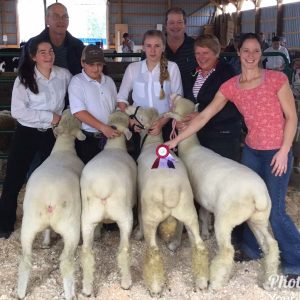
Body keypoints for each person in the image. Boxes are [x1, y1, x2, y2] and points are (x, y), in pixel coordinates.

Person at [165, 33, 299, 279]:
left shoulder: (277, 79)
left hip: (276, 152)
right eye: (246, 51)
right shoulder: (231, 86)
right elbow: (204, 116)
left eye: (255, 51)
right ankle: (250, 249)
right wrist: (174, 140)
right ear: (239, 52)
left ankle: (295, 262)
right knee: (246, 201)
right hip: (251, 150)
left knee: (275, 210)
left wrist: (284, 150)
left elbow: (291, 117)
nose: (250, 55)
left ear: (262, 53)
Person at [0, 38, 72, 239]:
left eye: (50, 51)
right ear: (33, 57)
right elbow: (17, 111)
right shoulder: (23, 79)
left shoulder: (63, 75)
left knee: (58, 175)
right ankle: (4, 224)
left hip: (53, 134)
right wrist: (50, 116)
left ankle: (57, 220)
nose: (48, 55)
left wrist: (64, 116)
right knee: (14, 177)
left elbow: (73, 97)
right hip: (27, 133)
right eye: (42, 52)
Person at [117, 29, 183, 158]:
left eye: (157, 46)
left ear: (163, 47)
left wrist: (162, 123)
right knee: (143, 164)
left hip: (166, 126)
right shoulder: (133, 69)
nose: (153, 50)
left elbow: (177, 99)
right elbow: (121, 98)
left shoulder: (172, 67)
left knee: (166, 166)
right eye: (148, 46)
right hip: (140, 127)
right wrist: (131, 121)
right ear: (143, 48)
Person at [183, 34, 242, 161]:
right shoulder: (194, 72)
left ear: (216, 53)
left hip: (222, 135)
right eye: (197, 53)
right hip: (200, 133)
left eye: (205, 53)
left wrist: (201, 114)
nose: (201, 57)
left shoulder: (227, 72)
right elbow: (191, 101)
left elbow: (232, 108)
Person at [68, 45, 120, 164]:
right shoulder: (77, 82)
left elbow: (115, 107)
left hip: (111, 137)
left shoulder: (109, 81)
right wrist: (103, 128)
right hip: (89, 139)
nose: (96, 69)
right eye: (91, 65)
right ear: (82, 63)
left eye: (99, 64)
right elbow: (78, 112)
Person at [20, 2, 84, 76]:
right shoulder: (33, 44)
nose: (61, 20)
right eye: (56, 16)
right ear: (47, 19)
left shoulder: (78, 45)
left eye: (65, 16)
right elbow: (24, 73)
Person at [164, 7, 197, 97]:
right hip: (160, 100)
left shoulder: (195, 46)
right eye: (171, 23)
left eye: (179, 22)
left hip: (189, 102)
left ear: (185, 25)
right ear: (166, 26)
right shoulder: (157, 46)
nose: (175, 26)